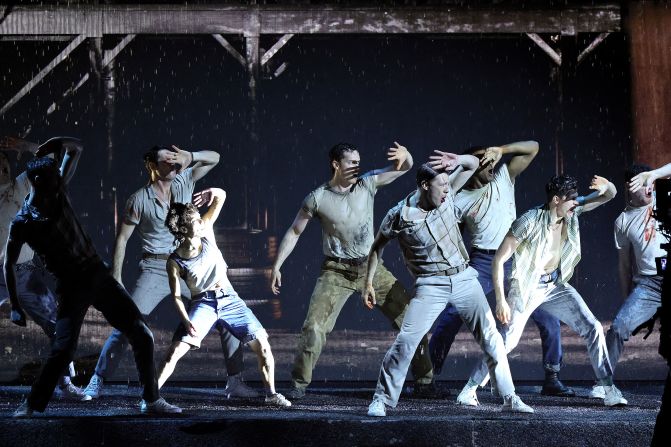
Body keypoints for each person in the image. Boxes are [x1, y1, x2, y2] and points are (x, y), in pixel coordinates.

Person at [5, 146, 180, 417]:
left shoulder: (57, 192)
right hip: (71, 286)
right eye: (52, 178)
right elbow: (9, 263)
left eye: (56, 177)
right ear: (37, 182)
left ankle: (151, 400)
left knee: (141, 334)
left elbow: (74, 147)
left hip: (96, 273)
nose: (58, 181)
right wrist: (15, 304)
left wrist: (47, 147)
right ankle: (31, 405)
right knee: (63, 350)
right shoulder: (23, 221)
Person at [366, 155, 534, 417]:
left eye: (448, 184)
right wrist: (367, 282)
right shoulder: (399, 216)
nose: (447, 190)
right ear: (424, 185)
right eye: (441, 185)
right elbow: (377, 247)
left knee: (491, 337)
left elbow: (471, 165)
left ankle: (509, 397)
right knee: (407, 341)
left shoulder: (447, 195)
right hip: (430, 284)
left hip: (465, 278)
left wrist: (459, 159)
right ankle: (382, 399)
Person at [84, 145, 256, 400]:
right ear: (151, 165)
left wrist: (191, 157)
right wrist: (117, 278)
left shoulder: (184, 180)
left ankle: (235, 380)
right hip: (155, 266)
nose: (173, 166)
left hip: (189, 265)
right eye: (166, 161)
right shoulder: (139, 199)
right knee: (127, 322)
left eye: (175, 161)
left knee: (226, 312)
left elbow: (216, 158)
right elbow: (122, 240)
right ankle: (97, 380)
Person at [270, 142, 436, 399]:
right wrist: (277, 265)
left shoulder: (367, 183)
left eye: (359, 162)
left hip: (371, 268)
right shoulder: (317, 198)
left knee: (410, 317)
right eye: (351, 162)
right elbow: (294, 231)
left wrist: (407, 156)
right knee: (314, 327)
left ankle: (425, 382)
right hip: (336, 272)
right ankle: (298, 385)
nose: (357, 166)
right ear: (336, 164)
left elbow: (404, 168)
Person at [457, 174, 628, 407]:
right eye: (571, 200)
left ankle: (608, 388)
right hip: (527, 287)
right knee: (507, 341)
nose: (576, 204)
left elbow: (609, 195)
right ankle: (469, 389)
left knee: (593, 327)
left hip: (555, 285)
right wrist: (500, 300)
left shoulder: (572, 211)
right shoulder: (529, 221)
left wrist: (608, 186)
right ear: (556, 200)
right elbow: (498, 260)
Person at [430, 141, 573, 396]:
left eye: (491, 160)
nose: (491, 165)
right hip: (483, 262)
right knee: (452, 313)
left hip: (518, 261)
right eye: (484, 161)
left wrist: (501, 151)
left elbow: (534, 147)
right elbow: (454, 234)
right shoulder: (459, 198)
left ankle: (552, 376)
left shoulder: (504, 177)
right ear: (471, 166)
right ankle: (428, 376)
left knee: (547, 314)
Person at [156, 188, 291, 407]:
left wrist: (211, 192)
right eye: (196, 222)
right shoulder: (174, 261)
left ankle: (272, 394)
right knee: (175, 351)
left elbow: (222, 196)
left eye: (201, 220)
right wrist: (185, 320)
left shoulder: (206, 231)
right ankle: (151, 397)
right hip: (203, 304)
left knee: (264, 346)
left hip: (230, 299)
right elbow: (177, 297)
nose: (201, 223)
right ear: (183, 229)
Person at [0, 137, 84, 399]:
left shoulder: (22, 185)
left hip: (22, 272)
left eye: (4, 163)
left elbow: (52, 158)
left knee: (57, 325)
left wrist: (25, 147)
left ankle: (65, 383)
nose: (3, 167)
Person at [596, 163, 671, 398]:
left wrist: (654, 174)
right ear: (630, 187)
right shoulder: (623, 221)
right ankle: (603, 383)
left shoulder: (665, 199)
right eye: (643, 183)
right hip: (649, 286)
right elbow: (624, 264)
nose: (649, 188)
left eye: (651, 183)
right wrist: (627, 297)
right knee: (618, 328)